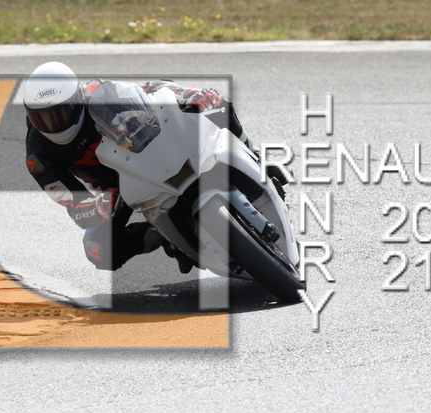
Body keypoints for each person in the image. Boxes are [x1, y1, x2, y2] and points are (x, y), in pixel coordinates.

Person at [23, 61, 268, 274]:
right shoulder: (38, 159)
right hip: (116, 190)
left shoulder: (98, 93)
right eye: (40, 117)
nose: (51, 124)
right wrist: (96, 205)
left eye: (60, 113)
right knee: (98, 249)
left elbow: (151, 89)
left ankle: (256, 158)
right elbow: (73, 204)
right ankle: (159, 234)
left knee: (217, 100)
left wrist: (190, 95)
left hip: (148, 149)